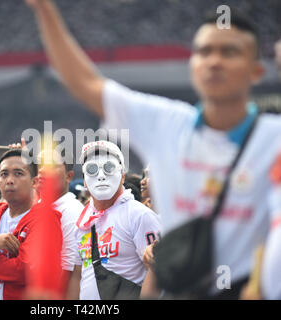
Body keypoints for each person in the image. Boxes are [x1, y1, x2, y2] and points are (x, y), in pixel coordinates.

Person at [24, 0, 281, 299]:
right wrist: (44, 10)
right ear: (192, 65)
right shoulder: (166, 123)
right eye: (204, 51)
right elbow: (86, 82)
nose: (214, 61)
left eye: (230, 52)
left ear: (257, 71)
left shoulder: (273, 138)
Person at [0, 148, 63, 299]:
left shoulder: (46, 219)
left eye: (18, 173)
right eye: (4, 174)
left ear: (34, 182)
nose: (9, 180)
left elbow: (25, 271)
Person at [75, 140, 161, 300]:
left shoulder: (139, 215)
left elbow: (159, 271)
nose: (100, 176)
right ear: (85, 181)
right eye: (92, 170)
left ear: (122, 176)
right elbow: (78, 275)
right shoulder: (82, 222)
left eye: (109, 168)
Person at [37, 149, 85, 299]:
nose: (43, 170)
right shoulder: (36, 207)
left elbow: (71, 271)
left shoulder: (72, 210)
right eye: (40, 165)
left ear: (69, 176)